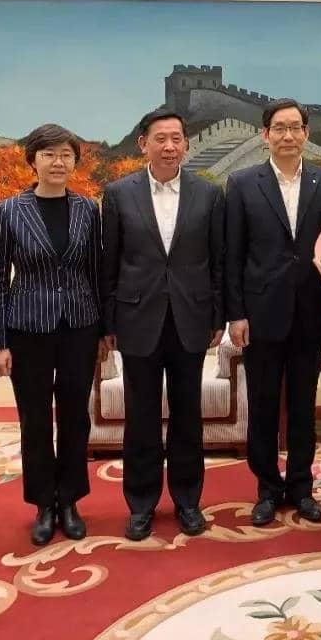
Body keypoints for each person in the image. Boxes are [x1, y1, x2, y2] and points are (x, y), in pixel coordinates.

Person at [101, 109, 225, 540]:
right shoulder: (118, 194)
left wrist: (218, 315)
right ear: (144, 144)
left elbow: (217, 262)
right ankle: (141, 504)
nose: (169, 146)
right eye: (160, 138)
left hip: (192, 318)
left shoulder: (209, 194)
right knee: (141, 416)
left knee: (188, 415)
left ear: (186, 144)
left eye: (176, 138)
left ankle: (188, 501)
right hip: (137, 319)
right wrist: (108, 321)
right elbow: (109, 262)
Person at [226, 98, 321, 526]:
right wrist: (236, 313)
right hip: (261, 313)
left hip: (310, 311)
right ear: (265, 135)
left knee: (303, 405)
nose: (288, 135)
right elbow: (232, 253)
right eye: (279, 128)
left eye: (295, 128)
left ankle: (301, 487)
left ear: (306, 134)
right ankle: (266, 489)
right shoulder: (242, 183)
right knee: (262, 404)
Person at [0, 124, 104, 546]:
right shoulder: (8, 211)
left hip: (79, 327)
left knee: (75, 417)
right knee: (34, 419)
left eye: (66, 155)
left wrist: (103, 331)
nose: (58, 162)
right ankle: (43, 504)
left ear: (75, 162)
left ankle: (70, 501)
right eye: (49, 154)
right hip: (27, 329)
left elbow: (96, 272)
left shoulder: (88, 209)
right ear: (32, 160)